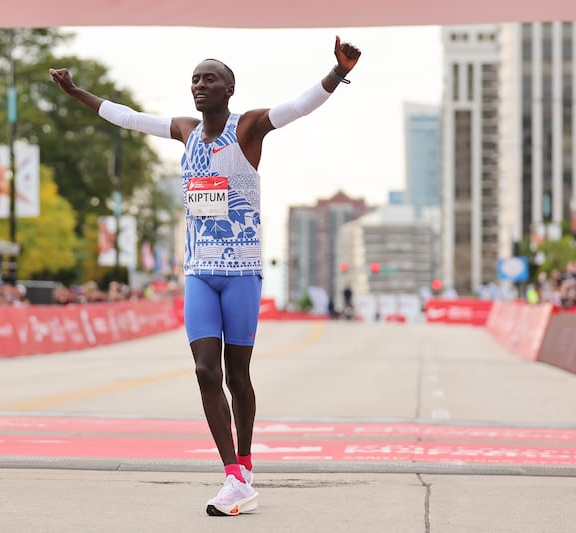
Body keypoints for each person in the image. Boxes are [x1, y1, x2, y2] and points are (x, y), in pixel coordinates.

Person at [50, 35, 361, 517]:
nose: (199, 85)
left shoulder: (249, 128)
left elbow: (300, 106)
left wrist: (338, 73)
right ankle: (233, 477)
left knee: (239, 375)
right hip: (199, 272)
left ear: (229, 90)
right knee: (203, 370)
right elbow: (128, 117)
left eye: (209, 78)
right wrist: (77, 94)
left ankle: (247, 461)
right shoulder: (184, 130)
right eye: (195, 78)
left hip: (241, 273)